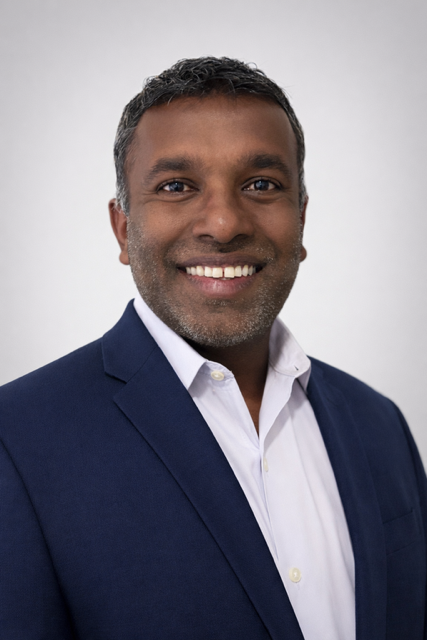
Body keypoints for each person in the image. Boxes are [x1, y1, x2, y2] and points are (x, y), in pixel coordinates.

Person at [0, 57, 426, 640]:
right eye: (176, 186)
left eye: (261, 185)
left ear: (301, 218)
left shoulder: (380, 423)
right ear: (123, 228)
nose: (224, 224)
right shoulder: (17, 439)